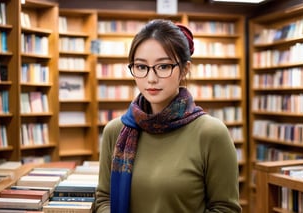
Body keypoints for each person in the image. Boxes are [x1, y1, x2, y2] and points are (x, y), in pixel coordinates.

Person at [95, 19, 242, 213]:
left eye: (163, 66)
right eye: (141, 67)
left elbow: (225, 208)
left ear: (184, 70)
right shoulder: (116, 131)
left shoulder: (211, 133)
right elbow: (104, 200)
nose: (151, 78)